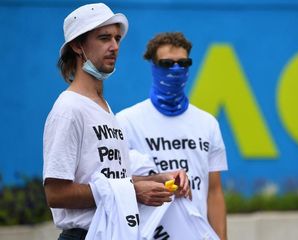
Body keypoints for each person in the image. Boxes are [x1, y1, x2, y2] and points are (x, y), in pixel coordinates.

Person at [43, 4, 189, 240]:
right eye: (104, 38)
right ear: (77, 45)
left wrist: (158, 178)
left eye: (117, 38)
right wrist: (134, 192)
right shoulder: (68, 109)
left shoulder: (104, 108)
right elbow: (56, 194)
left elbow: (111, 181)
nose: (114, 47)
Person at [116, 32, 228, 240]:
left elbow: (214, 192)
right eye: (167, 64)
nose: (176, 70)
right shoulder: (125, 122)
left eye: (184, 63)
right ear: (153, 66)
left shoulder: (208, 123)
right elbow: (114, 184)